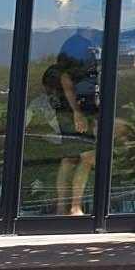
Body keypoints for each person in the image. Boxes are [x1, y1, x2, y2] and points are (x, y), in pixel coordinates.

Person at [43, 29, 101, 215]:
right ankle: (75, 206)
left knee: (70, 159)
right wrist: (77, 112)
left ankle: (63, 206)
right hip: (74, 113)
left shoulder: (87, 46)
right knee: (87, 157)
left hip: (73, 113)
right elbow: (66, 82)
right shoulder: (73, 52)